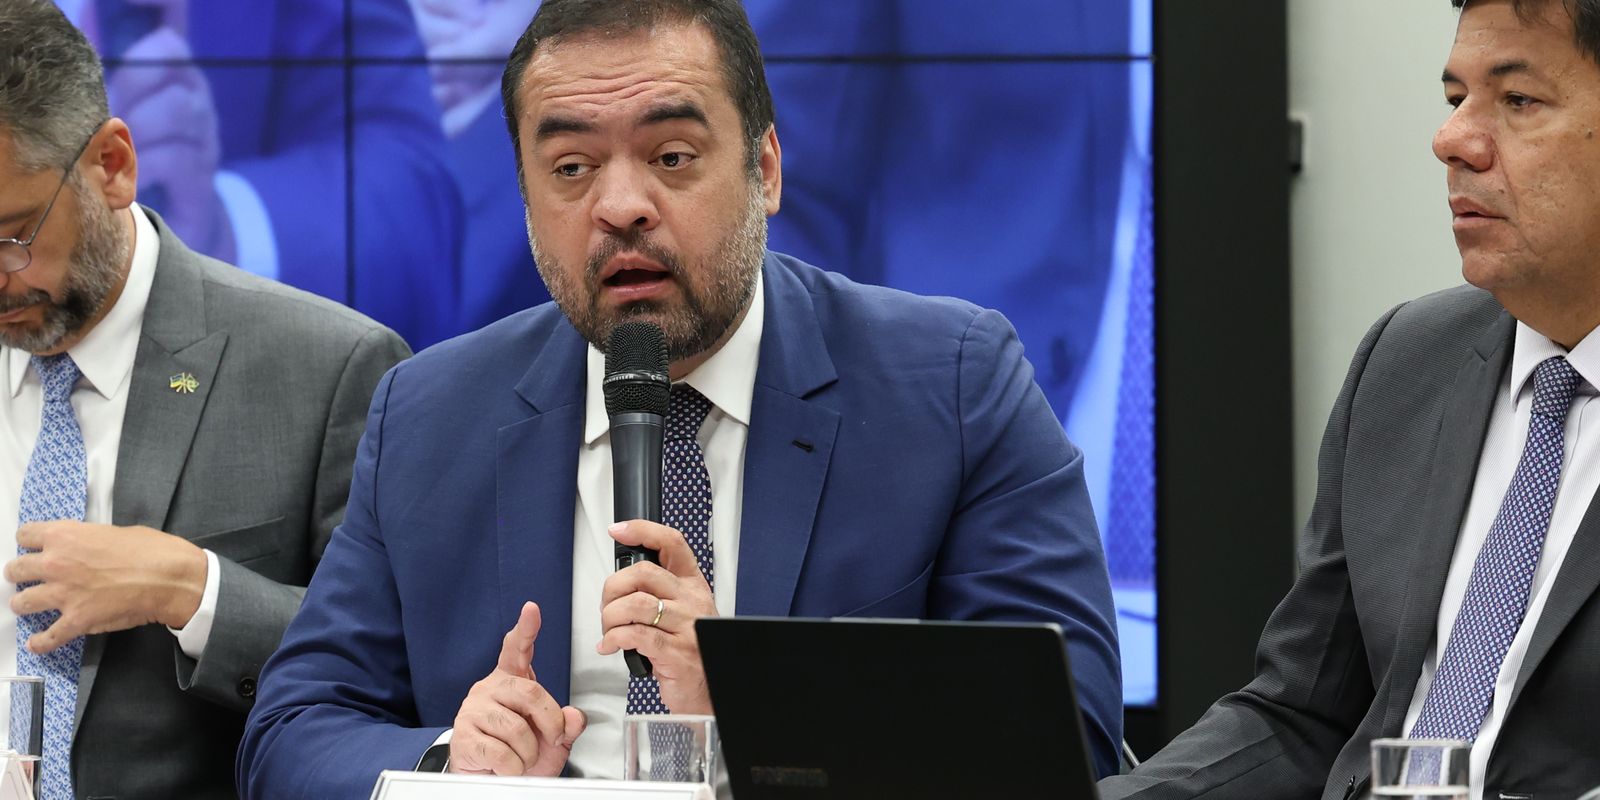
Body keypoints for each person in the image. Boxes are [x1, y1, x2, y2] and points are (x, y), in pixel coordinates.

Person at [237, 0, 1122, 796]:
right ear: (527, 201)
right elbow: (292, 734)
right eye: (572, 167)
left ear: (765, 169)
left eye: (671, 156)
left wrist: (754, 701)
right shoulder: (429, 415)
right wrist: (453, 763)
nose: (622, 206)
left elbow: (1069, 742)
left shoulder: (952, 386)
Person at [1100, 1, 1600, 798]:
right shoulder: (1408, 359)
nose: (1452, 139)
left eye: (1517, 99)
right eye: (1455, 98)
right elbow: (1302, 715)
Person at [0, 3, 411, 797]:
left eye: (11, 237)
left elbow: (395, 669)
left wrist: (192, 589)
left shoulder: (329, 367)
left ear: (113, 166)